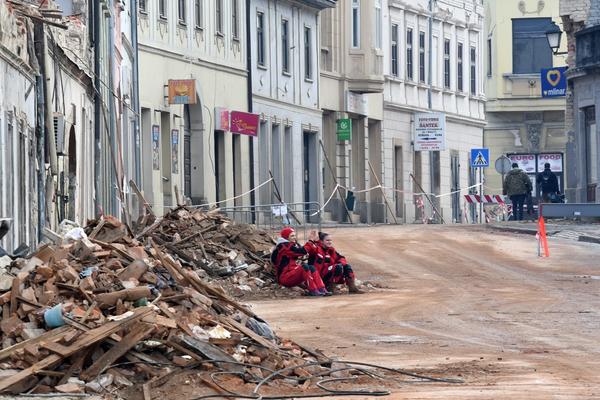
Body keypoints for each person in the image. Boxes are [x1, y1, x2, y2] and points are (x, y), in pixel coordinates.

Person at [270, 227, 330, 296]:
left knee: (311, 267)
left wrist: (313, 242)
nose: (294, 237)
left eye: (295, 235)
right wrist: (310, 241)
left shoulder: (289, 245)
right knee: (304, 267)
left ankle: (322, 289)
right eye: (292, 236)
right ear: (286, 237)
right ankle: (313, 290)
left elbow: (303, 252)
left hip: (292, 274)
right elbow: (301, 251)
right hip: (285, 277)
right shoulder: (284, 246)